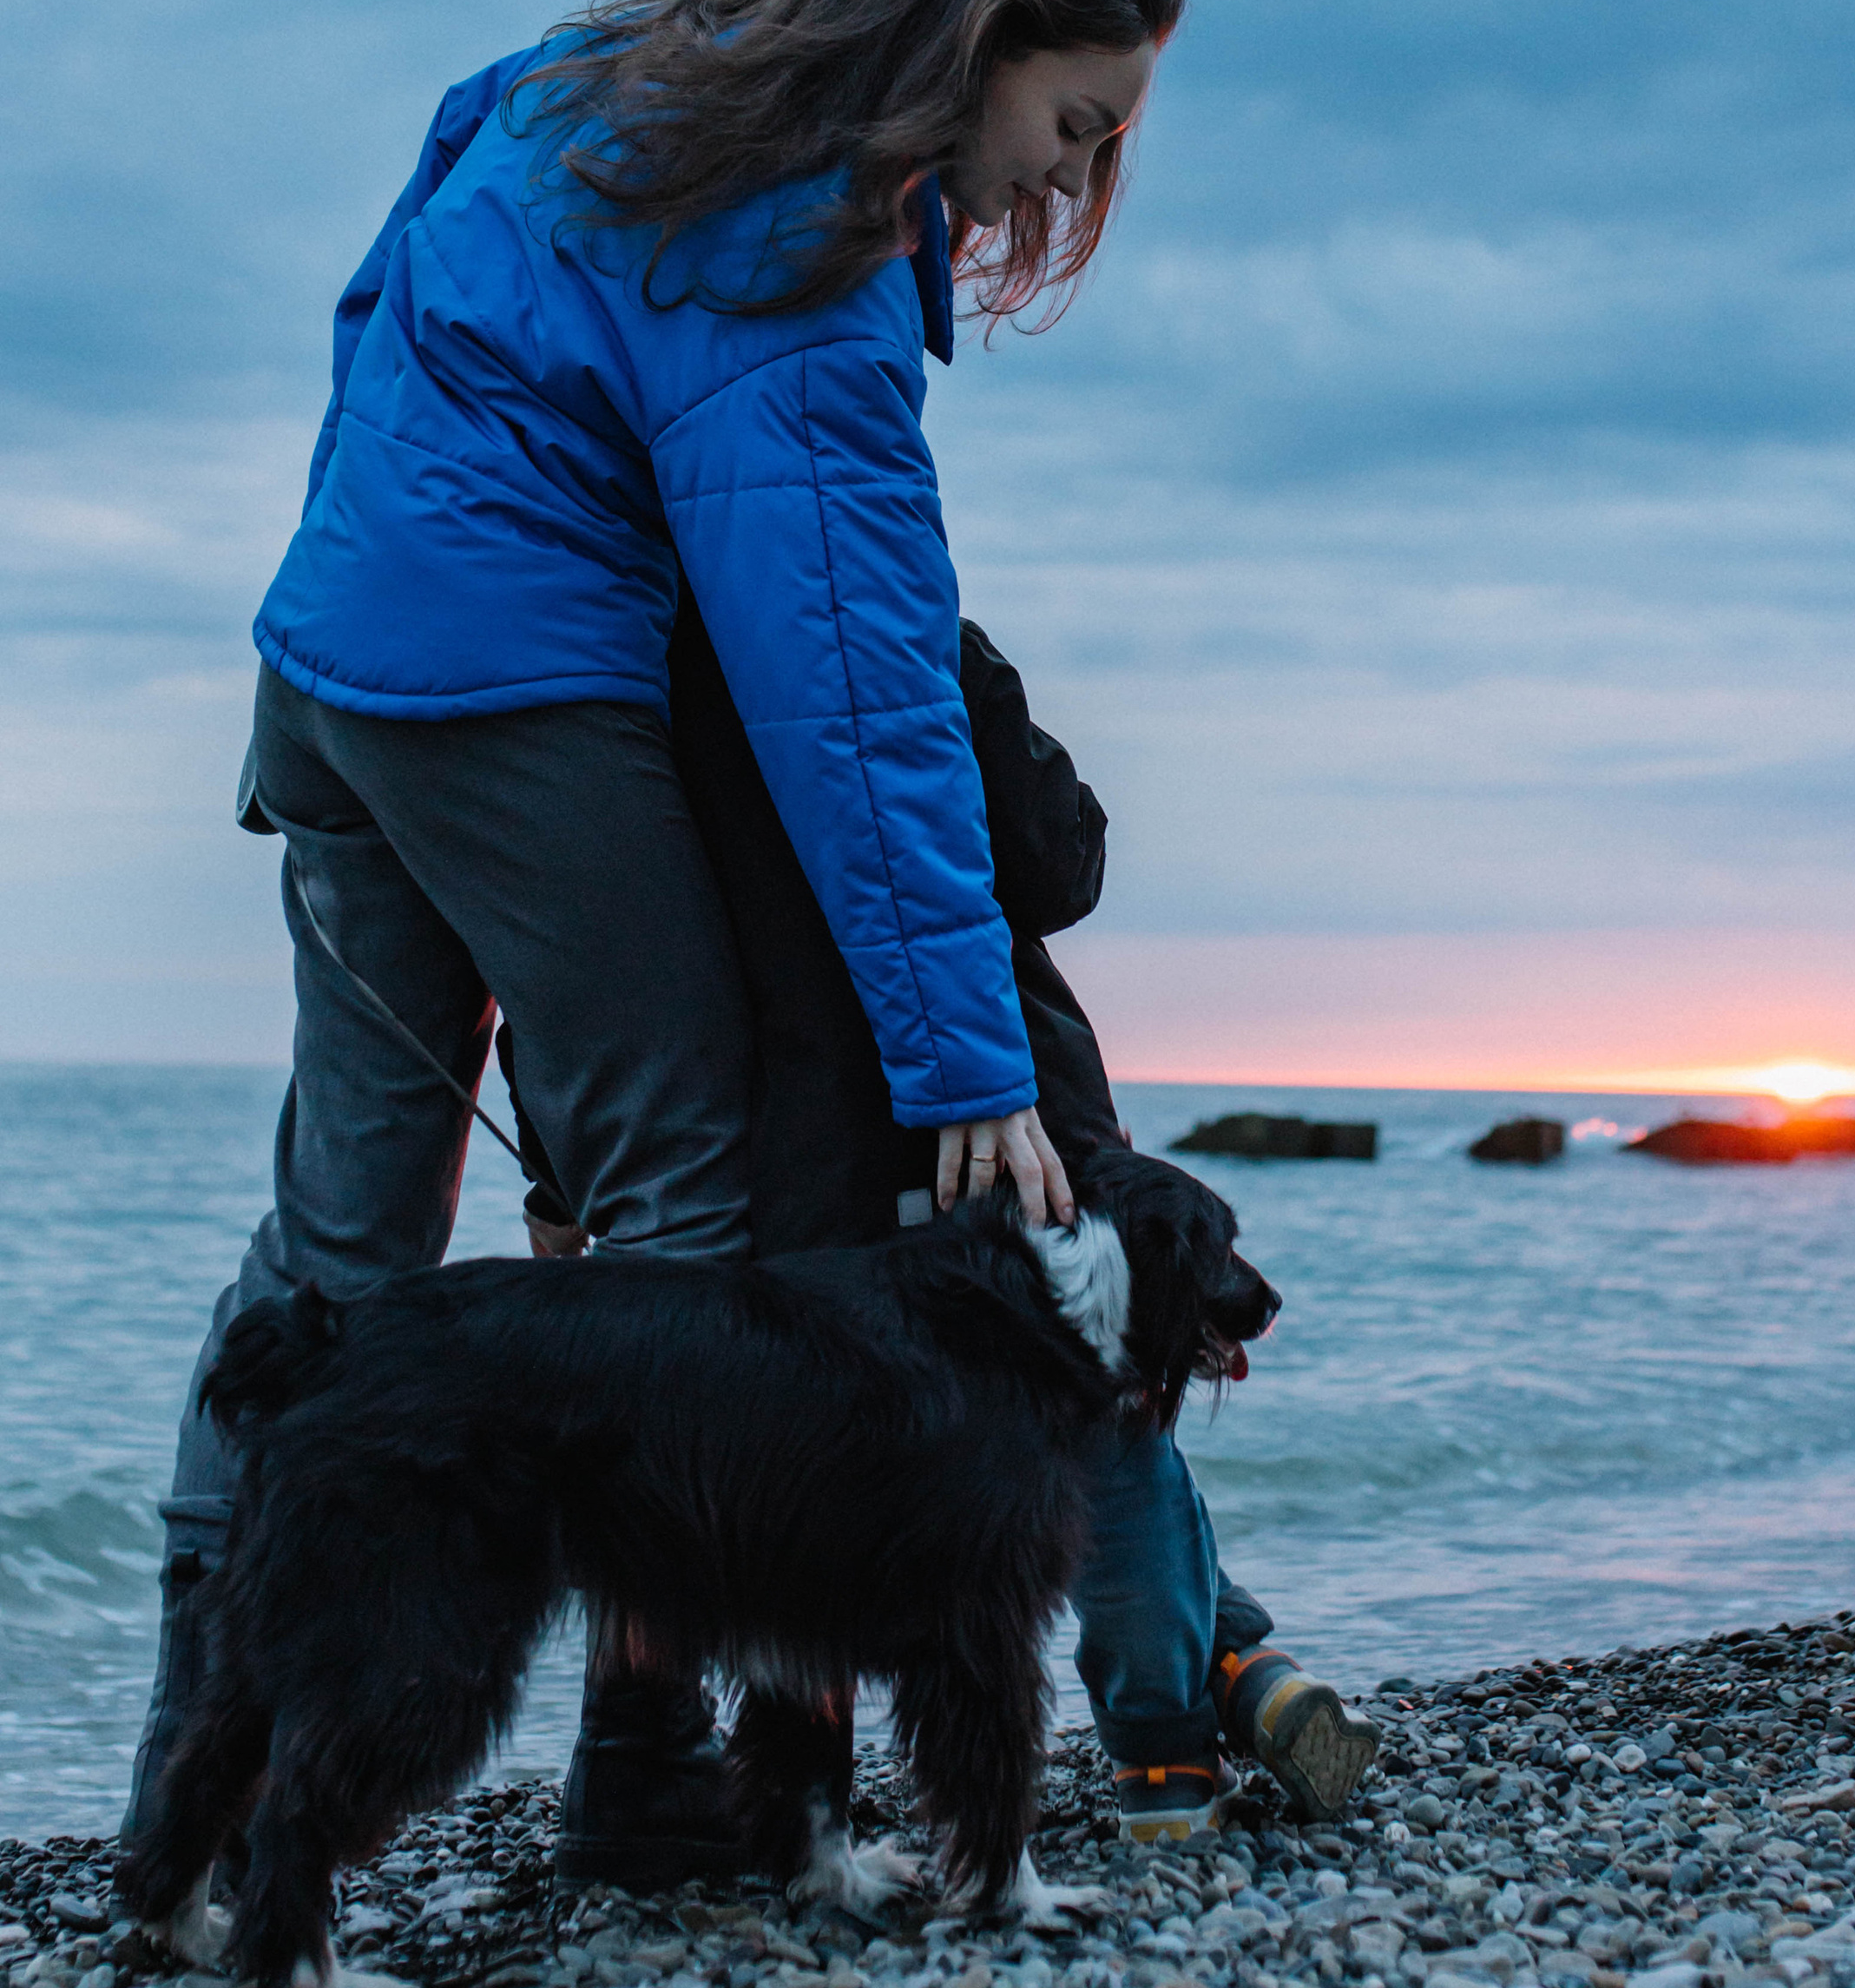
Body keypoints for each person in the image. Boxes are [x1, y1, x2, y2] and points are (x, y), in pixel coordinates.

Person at [120, 0, 1366, 1879]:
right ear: (974, 51)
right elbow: (865, 704)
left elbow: (380, 296)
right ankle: (646, 1783)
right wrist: (969, 1072)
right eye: (1079, 119)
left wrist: (351, 600)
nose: (1083, 168)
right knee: (681, 1181)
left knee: (340, 1252)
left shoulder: (604, 79)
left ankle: (189, 1807)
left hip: (331, 661)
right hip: (514, 689)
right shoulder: (811, 259)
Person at [499, 589, 1382, 1852]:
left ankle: (807, 1805)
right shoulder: (895, 611)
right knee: (1106, 1433)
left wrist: (556, 1167)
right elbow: (1061, 861)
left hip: (798, 1154)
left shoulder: (633, 665)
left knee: (820, 1485)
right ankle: (1175, 1750)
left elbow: (590, 963)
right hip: (1012, 1113)